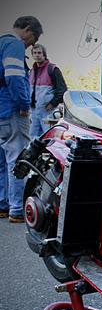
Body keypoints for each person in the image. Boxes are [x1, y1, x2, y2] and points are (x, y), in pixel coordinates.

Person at [0, 15, 43, 223]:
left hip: (0, 111)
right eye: (32, 40)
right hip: (11, 111)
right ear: (26, 29)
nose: (29, 46)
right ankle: (17, 209)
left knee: (1, 160)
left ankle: (2, 204)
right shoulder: (14, 44)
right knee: (17, 159)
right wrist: (24, 105)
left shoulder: (0, 43)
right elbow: (15, 77)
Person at [29, 44, 67, 138]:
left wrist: (52, 104)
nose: (37, 55)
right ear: (32, 55)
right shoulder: (31, 71)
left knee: (49, 138)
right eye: (35, 53)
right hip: (34, 111)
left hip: (47, 111)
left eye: (39, 53)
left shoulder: (53, 69)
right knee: (33, 138)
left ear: (44, 54)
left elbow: (62, 90)